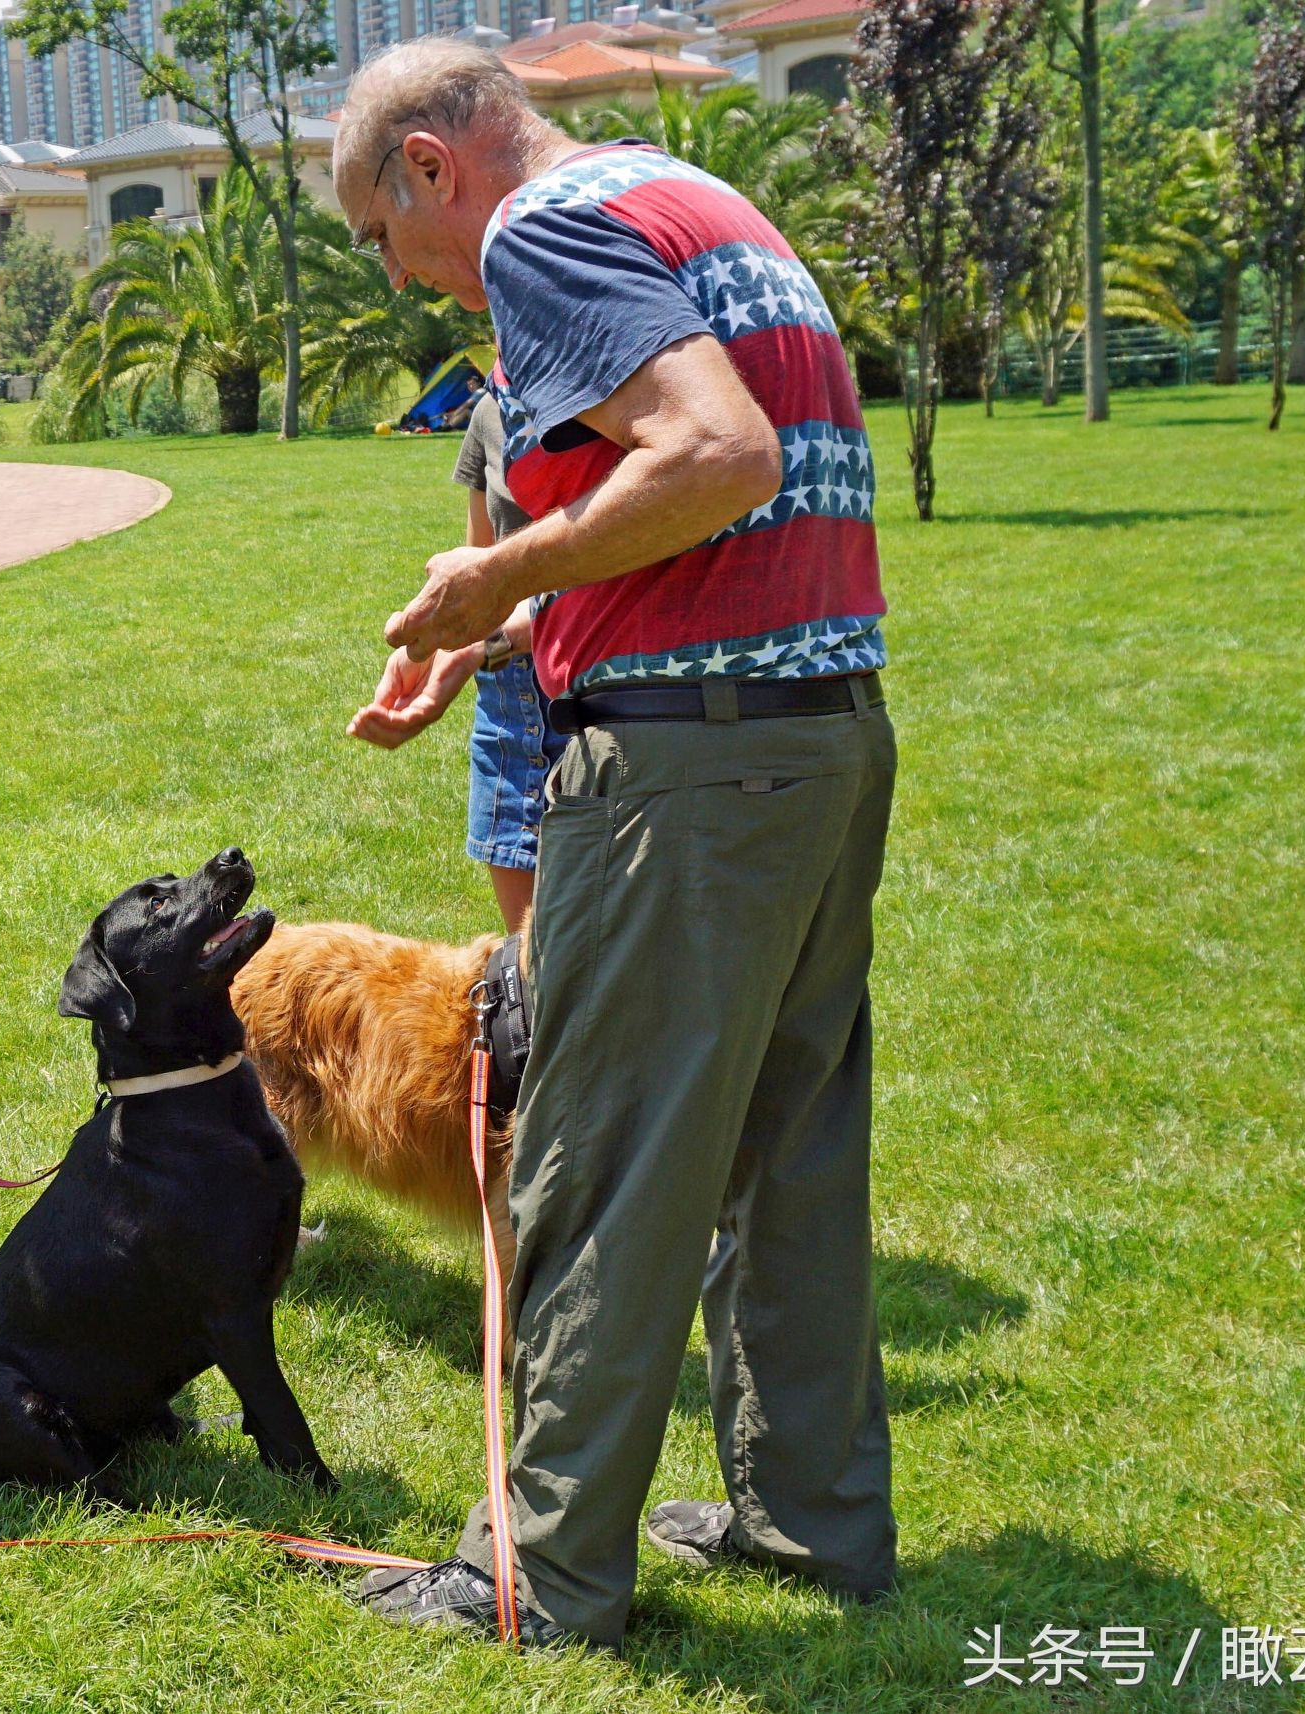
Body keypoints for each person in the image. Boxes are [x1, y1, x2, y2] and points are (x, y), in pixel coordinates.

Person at [333, 42, 899, 1650]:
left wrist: (497, 581)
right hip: (816, 741)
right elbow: (716, 527)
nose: (414, 279)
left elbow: (718, 458)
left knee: (595, 1160)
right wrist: (505, 637)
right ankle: (811, 1523)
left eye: (384, 236)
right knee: (788, 1158)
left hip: (685, 786)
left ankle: (537, 1571)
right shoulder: (696, 198)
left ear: (431, 165)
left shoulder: (540, 230)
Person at [349, 390, 565, 933]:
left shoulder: (616, 384)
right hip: (515, 705)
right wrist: (430, 647)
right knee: (528, 967)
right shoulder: (491, 409)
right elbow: (481, 573)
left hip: (601, 690)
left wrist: (474, 647)